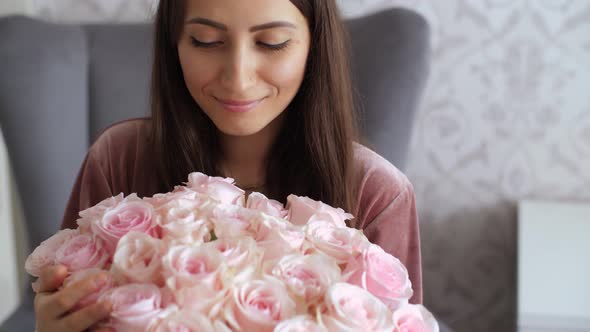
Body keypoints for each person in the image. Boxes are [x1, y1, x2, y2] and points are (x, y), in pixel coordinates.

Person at [31, 0, 423, 331]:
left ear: (314, 46)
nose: (238, 78)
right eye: (207, 41)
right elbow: (67, 302)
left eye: (272, 43)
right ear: (175, 44)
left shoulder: (378, 192)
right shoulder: (119, 157)